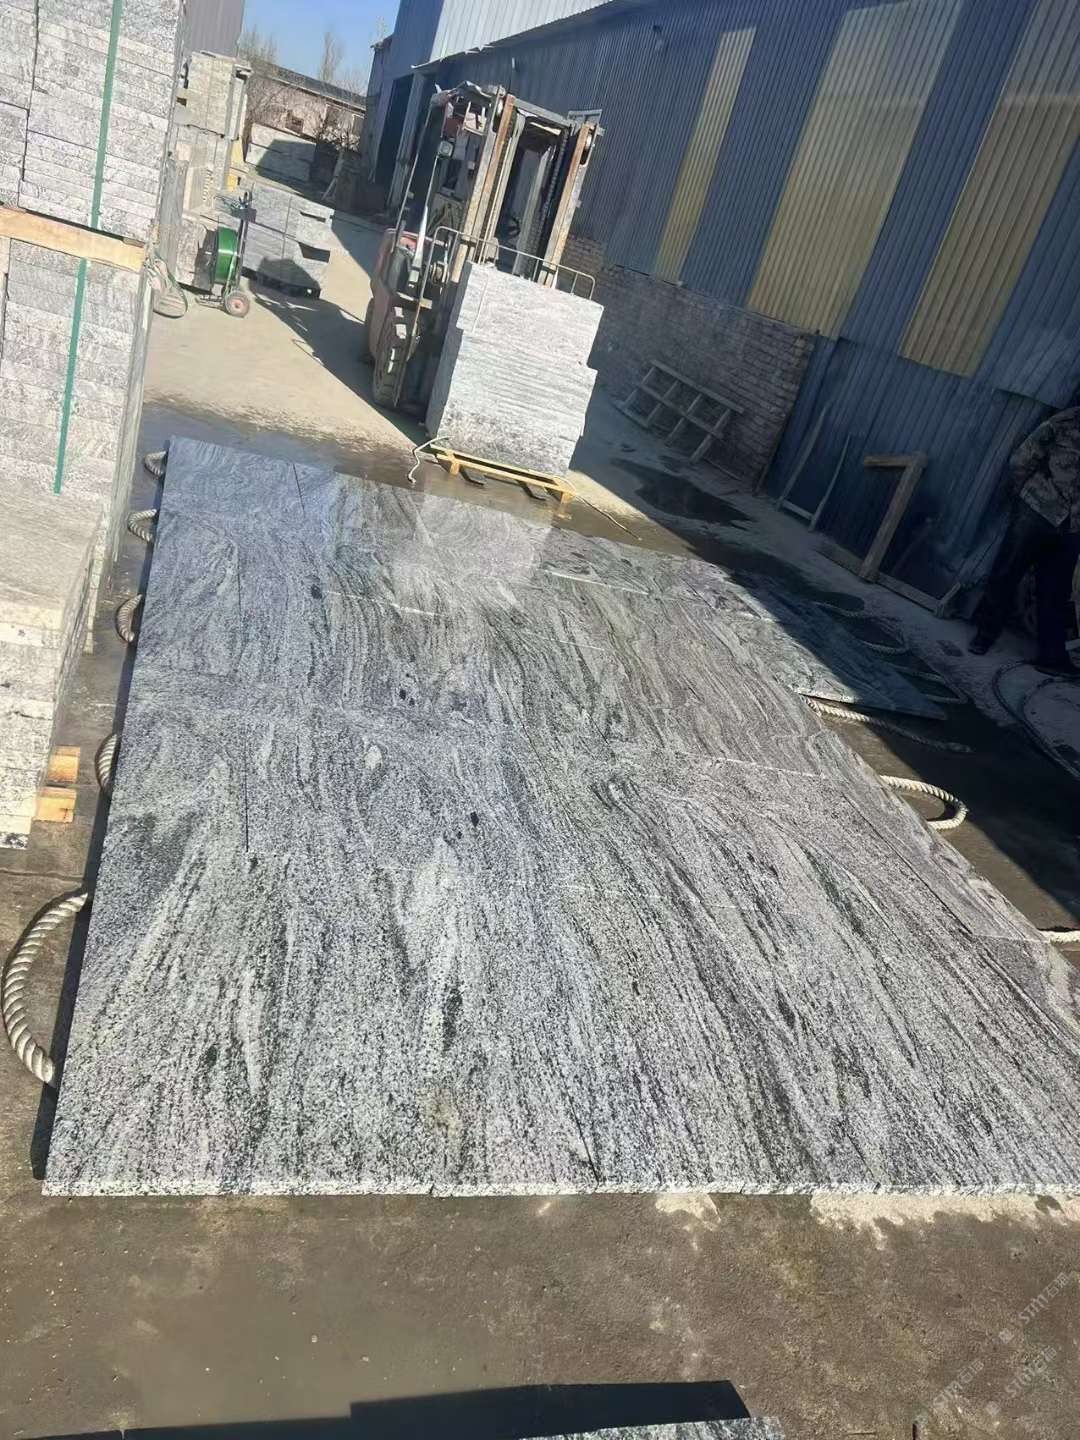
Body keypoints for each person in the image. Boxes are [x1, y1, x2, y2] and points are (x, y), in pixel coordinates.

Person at [969, 405, 1080, 676]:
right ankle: (984, 635)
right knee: (1007, 572)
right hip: (1038, 510)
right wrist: (1028, 496)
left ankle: (1051, 656)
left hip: (1073, 525)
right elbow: (1022, 458)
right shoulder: (1065, 421)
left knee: (1055, 591)